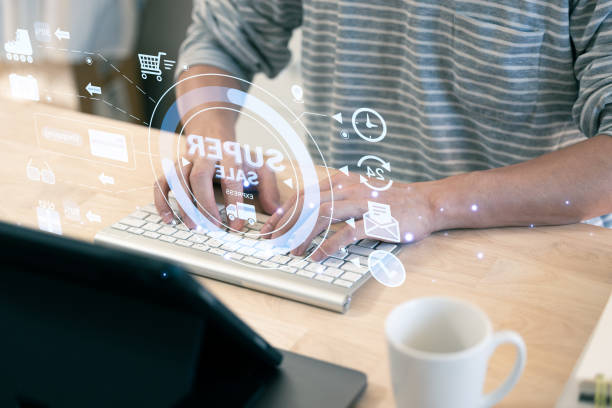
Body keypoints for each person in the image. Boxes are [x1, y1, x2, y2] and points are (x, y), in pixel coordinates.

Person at [155, 0, 612, 262]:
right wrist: (212, 140)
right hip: (334, 233)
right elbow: (218, 39)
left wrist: (429, 202)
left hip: (517, 252)